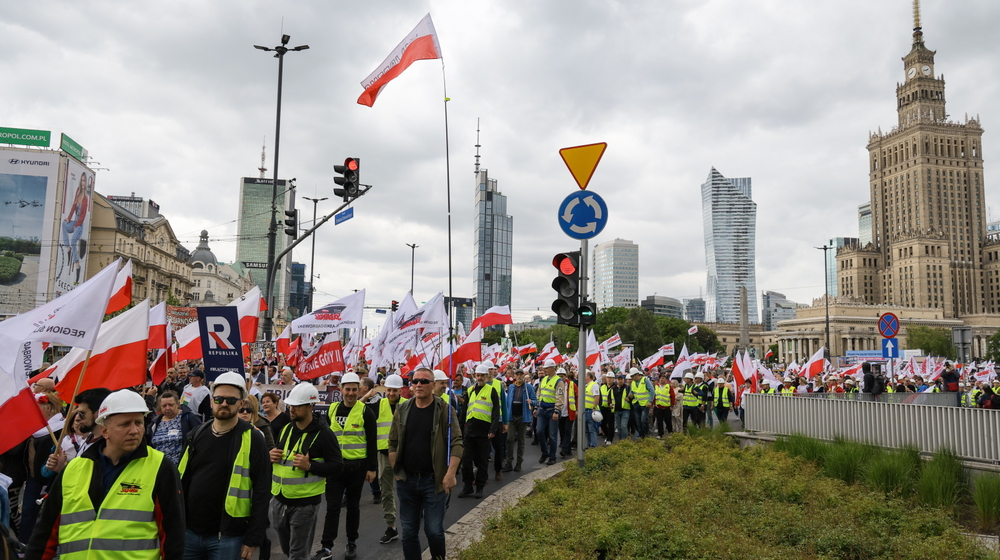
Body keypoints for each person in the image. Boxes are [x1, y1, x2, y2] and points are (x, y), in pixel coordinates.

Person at [25, 389, 185, 560]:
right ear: (104, 430)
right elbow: (45, 532)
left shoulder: (160, 466)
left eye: (138, 423)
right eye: (125, 424)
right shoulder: (74, 468)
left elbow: (173, 536)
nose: (134, 430)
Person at [178, 372, 271, 560]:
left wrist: (253, 538)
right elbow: (181, 481)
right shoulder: (195, 434)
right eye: (219, 399)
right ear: (212, 401)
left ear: (241, 403)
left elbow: (262, 490)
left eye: (230, 399)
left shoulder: (253, 438)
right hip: (190, 533)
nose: (224, 404)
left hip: (229, 537)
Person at [388, 367, 463, 560]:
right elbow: (393, 441)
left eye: (423, 382)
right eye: (415, 381)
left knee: (434, 530)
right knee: (409, 532)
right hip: (407, 480)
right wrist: (395, 465)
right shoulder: (403, 409)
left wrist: (450, 473)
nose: (418, 385)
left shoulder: (445, 409)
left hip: (433, 480)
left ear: (432, 385)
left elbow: (456, 443)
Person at [270, 383, 343, 560]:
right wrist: (271, 455)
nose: (291, 409)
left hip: (304, 504)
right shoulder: (286, 429)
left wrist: (310, 466)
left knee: (298, 554)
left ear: (310, 406)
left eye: (297, 406)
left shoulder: (324, 434)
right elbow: (282, 459)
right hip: (279, 501)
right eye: (290, 405)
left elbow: (337, 467)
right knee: (289, 551)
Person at [317, 373, 377, 560]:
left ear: (359, 391)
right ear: (341, 389)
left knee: (353, 507)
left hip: (356, 468)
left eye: (354, 389)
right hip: (335, 467)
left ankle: (352, 542)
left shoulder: (366, 411)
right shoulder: (332, 409)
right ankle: (327, 547)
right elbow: (325, 436)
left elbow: (372, 441)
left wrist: (372, 468)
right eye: (347, 389)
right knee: (332, 508)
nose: (350, 393)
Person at [370, 374, 407, 545]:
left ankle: (410, 524)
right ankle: (391, 527)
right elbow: (356, 409)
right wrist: (365, 396)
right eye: (389, 390)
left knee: (408, 490)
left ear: (400, 390)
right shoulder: (378, 405)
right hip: (384, 454)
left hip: (405, 455)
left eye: (395, 390)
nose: (391, 393)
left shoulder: (408, 405)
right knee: (386, 492)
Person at [458, 364, 501, 498]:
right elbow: (464, 411)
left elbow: (495, 412)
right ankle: (468, 486)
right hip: (470, 431)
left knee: (482, 461)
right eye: (478, 375)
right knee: (466, 460)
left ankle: (480, 487)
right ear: (475, 376)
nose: (480, 378)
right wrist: (460, 429)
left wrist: (493, 429)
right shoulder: (470, 390)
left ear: (486, 376)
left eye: (482, 375)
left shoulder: (491, 390)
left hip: (484, 431)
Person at [147, 390, 202, 465]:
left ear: (177, 404)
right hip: (159, 467)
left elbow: (201, 439)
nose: (167, 408)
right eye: (164, 406)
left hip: (181, 467)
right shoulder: (155, 423)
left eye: (171, 405)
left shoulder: (188, 417)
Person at [503, 369, 536, 472]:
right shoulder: (511, 387)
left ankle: (519, 463)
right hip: (512, 417)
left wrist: (532, 401)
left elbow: (535, 400)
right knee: (510, 439)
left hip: (523, 417)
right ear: (515, 376)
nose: (519, 376)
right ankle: (509, 462)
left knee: (521, 440)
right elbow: (508, 402)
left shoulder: (528, 387)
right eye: (517, 374)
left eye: (521, 374)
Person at [534, 360, 562, 466]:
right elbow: (539, 393)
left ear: (553, 368)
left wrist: (557, 410)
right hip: (542, 409)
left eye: (546, 368)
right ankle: (545, 453)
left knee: (552, 435)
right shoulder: (544, 379)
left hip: (552, 411)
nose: (545, 370)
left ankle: (552, 456)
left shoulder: (558, 381)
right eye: (544, 368)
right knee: (539, 431)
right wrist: (536, 407)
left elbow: (560, 396)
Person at [629, 368, 653, 439]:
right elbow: (632, 391)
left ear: (637, 375)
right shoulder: (633, 382)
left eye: (632, 376)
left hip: (645, 404)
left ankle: (646, 434)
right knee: (638, 422)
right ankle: (641, 435)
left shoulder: (645, 380)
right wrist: (630, 394)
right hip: (636, 404)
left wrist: (650, 401)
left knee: (643, 421)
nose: (632, 378)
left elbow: (652, 391)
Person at [582, 370, 600, 449]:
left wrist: (594, 407)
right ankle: (589, 444)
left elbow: (596, 396)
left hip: (590, 410)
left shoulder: (594, 385)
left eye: (585, 375)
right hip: (585, 410)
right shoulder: (587, 385)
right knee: (586, 429)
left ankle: (593, 445)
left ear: (588, 376)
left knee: (591, 429)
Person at [600, 373, 617, 445]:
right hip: (603, 408)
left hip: (611, 409)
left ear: (613, 379)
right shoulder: (602, 387)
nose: (609, 379)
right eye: (608, 378)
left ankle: (610, 439)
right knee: (602, 424)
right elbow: (600, 397)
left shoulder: (615, 387)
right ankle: (607, 436)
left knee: (611, 425)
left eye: (611, 378)